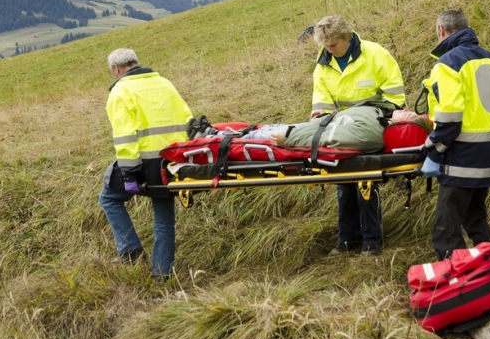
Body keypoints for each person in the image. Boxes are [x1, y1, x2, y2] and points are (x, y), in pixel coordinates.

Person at [420, 9, 490, 261]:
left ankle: (459, 287)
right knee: (475, 218)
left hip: (460, 158)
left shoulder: (447, 63)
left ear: (441, 30)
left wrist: (433, 149)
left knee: (446, 228)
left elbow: (450, 116)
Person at [310, 15, 406, 256]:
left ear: (348, 37)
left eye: (334, 45)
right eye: (326, 46)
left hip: (371, 126)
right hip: (340, 130)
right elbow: (321, 103)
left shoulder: (375, 54)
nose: (330, 50)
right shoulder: (323, 65)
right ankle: (346, 239)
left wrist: (374, 116)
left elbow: (395, 97)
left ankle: (372, 241)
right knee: (343, 184)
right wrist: (321, 118)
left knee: (365, 182)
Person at [99, 48, 193, 278]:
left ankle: (130, 250)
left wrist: (130, 173)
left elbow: (125, 135)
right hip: (172, 162)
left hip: (142, 165)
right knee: (164, 220)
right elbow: (187, 120)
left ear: (116, 69)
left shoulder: (120, 90)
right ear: (136, 63)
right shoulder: (164, 83)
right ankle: (161, 275)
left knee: (109, 198)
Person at [194, 106, 429, 152]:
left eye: (410, 115)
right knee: (268, 128)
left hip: (311, 133)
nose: (407, 109)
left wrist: (290, 138)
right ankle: (219, 131)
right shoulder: (381, 112)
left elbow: (328, 138)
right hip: (318, 123)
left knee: (266, 135)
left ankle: (213, 138)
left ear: (403, 124)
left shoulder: (372, 135)